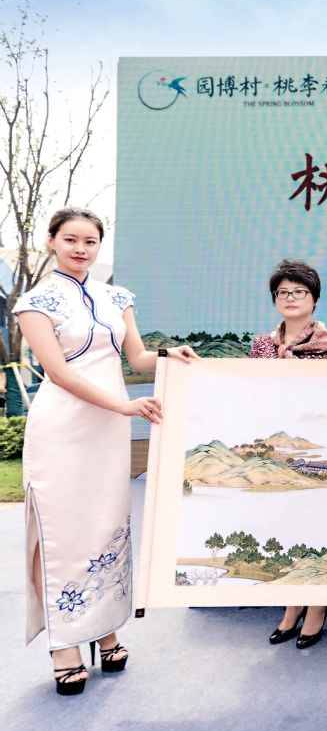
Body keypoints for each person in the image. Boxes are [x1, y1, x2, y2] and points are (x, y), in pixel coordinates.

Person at [16, 206, 198, 695]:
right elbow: (58, 373)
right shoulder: (35, 302)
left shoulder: (116, 297)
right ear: (52, 240)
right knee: (60, 534)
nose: (81, 249)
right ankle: (64, 644)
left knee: (105, 526)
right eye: (70, 239)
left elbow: (135, 356)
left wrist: (169, 354)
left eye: (90, 241)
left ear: (99, 245)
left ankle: (105, 631)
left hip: (109, 430)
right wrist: (124, 406)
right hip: (62, 430)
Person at [250, 259, 327, 649]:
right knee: (285, 527)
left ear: (314, 298)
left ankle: (318, 606)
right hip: (276, 447)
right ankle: (292, 605)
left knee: (318, 527)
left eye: (299, 292)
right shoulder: (261, 345)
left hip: (317, 448)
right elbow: (251, 392)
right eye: (283, 292)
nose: (290, 298)